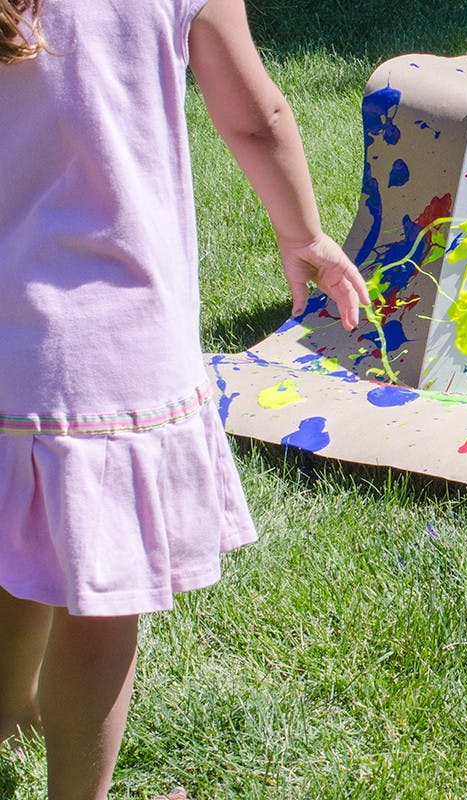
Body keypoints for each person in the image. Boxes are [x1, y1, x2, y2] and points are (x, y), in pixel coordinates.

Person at [0, 0, 370, 797]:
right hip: (106, 345)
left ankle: (10, 706)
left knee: (13, 541)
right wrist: (305, 234)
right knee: (99, 605)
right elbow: (255, 117)